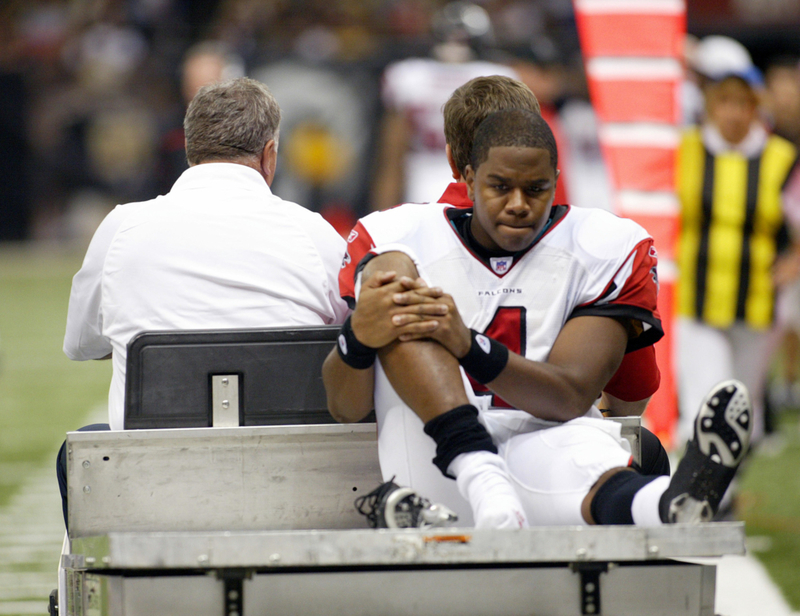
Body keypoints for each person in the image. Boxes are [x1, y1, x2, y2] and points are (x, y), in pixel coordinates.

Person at [323, 108, 751, 530]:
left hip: (543, 449)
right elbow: (345, 408)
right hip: (435, 461)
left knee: (585, 451)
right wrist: (359, 338)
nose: (518, 205)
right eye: (500, 187)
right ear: (468, 178)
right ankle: (481, 471)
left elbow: (570, 394)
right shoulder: (398, 240)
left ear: (556, 181)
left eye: (536, 189)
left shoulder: (600, 245)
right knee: (404, 300)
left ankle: (671, 504)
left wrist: (468, 345)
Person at [59, 78, 349, 525]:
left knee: (82, 447)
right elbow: (349, 343)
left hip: (152, 483)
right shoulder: (314, 234)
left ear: (190, 149)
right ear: (270, 155)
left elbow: (82, 345)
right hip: (292, 479)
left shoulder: (121, 227)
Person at [676, 37, 800, 447]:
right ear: (711, 104)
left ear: (755, 106)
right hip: (697, 300)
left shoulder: (780, 156)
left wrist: (795, 259)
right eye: (723, 101)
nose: (732, 113)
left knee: (741, 412)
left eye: (741, 102)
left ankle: (722, 494)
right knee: (705, 402)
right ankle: (696, 497)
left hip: (757, 302)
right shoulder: (686, 149)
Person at [371, 2, 518, 212]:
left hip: (422, 182)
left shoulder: (409, 75)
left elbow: (392, 157)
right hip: (479, 181)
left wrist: (381, 216)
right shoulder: (498, 76)